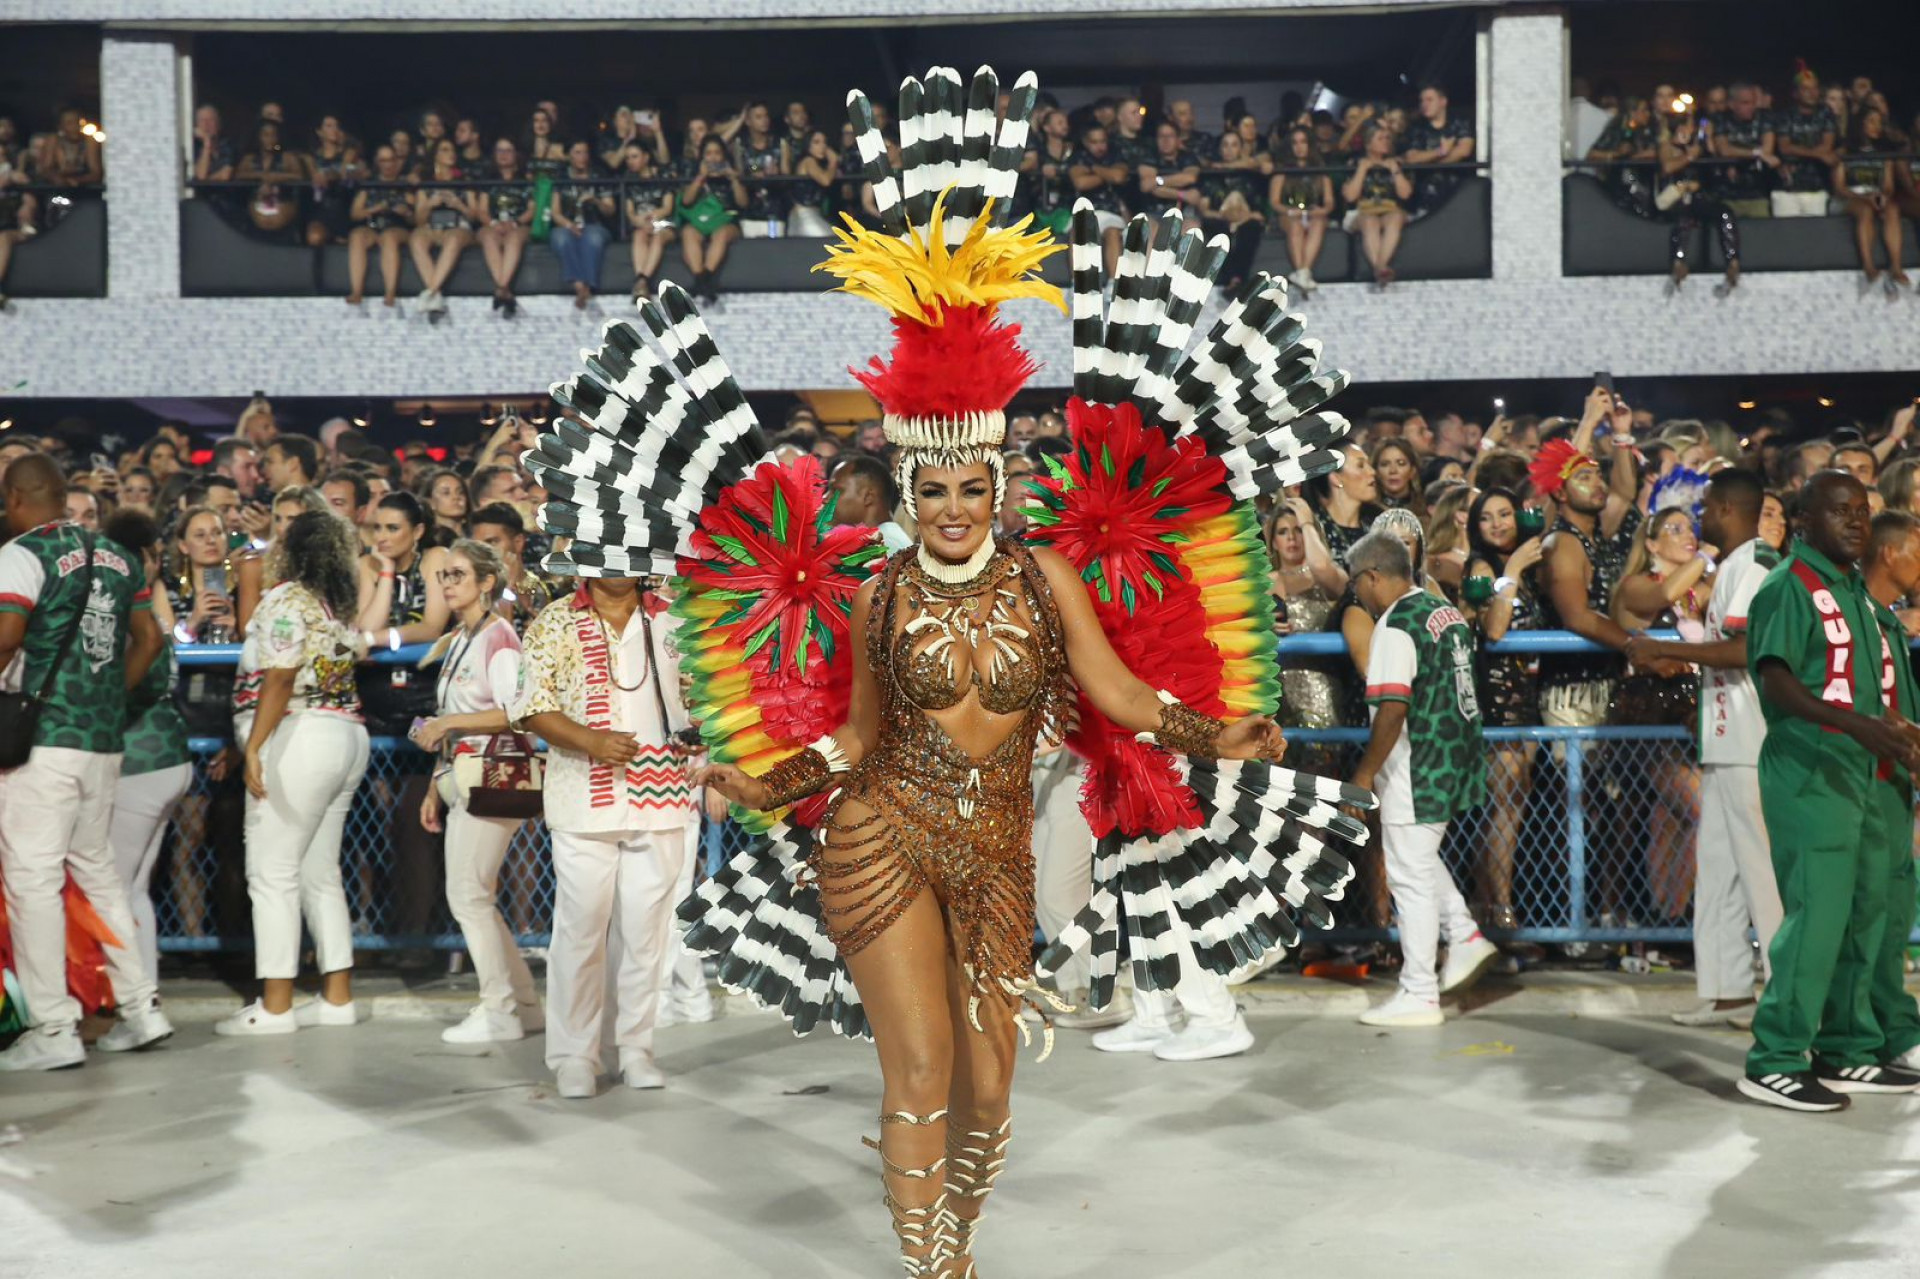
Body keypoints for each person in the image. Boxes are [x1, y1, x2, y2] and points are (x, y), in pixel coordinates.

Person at [1735, 473, 1920, 1112]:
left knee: (1865, 915)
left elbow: (1873, 694)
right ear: (1803, 520)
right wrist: (1858, 725)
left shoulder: (1856, 594)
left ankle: (1846, 1047)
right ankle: (1775, 1059)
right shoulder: (1788, 585)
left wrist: (1898, 732)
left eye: (1863, 512)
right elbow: (1778, 683)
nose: (1855, 522)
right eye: (1839, 511)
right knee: (1815, 919)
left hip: (1863, 773)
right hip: (1810, 770)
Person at [0, 455, 170, 1070]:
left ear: (16, 498)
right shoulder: (119, 557)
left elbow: (6, 636)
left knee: (32, 879)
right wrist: (104, 697)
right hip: (102, 740)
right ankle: (142, 1006)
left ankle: (52, 1028)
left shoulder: (23, 554)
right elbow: (151, 640)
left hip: (40, 743)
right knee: (97, 873)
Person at [514, 574, 695, 1098]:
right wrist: (590, 740)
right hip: (582, 800)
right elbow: (530, 704)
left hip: (661, 796)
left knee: (646, 934)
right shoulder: (555, 619)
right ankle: (575, 1054)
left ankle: (635, 1048)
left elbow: (701, 693)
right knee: (580, 929)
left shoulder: (673, 616)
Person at [1626, 470, 1782, 1028]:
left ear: (1726, 508)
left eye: (1707, 509)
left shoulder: (1758, 564)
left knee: (1761, 877)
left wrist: (1662, 647)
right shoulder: (1735, 565)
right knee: (1717, 873)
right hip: (1725, 739)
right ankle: (1728, 993)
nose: (1701, 519)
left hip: (1752, 740)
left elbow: (1746, 648)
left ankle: (1785, 999)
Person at [216, 511, 371, 1036]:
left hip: (303, 734)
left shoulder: (286, 599)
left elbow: (280, 675)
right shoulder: (337, 606)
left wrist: (254, 746)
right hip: (347, 732)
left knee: (272, 873)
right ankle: (336, 997)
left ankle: (276, 1006)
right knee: (318, 873)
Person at [1346, 531, 1495, 1027]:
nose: (1357, 596)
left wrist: (1365, 772)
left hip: (1418, 763)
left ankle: (1420, 991)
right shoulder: (1443, 610)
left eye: (1357, 584)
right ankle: (1466, 936)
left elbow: (1393, 706)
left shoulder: (1395, 625)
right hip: (1454, 756)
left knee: (1408, 876)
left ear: (1372, 576)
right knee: (1419, 858)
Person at [415, 539, 544, 1044]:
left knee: (468, 897)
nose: (448, 583)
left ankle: (500, 1009)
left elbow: (518, 712)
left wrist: (449, 721)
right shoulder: (461, 638)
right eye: (444, 575)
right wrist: (432, 787)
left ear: (486, 583)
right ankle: (524, 1006)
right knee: (475, 898)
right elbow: (454, 725)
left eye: (459, 575)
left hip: (492, 778)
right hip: (462, 778)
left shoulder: (499, 636)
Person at [103, 509, 194, 1000]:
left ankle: (131, 1005)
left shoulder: (125, 613)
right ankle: (145, 996)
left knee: (112, 889)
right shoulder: (151, 612)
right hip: (168, 756)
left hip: (139, 760)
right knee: (132, 888)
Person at [1608, 505, 1711, 926]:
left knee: (1670, 820)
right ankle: (1676, 918)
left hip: (1689, 716)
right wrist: (1709, 553)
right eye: (1675, 529)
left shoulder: (1701, 590)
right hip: (1647, 719)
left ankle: (1666, 917)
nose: (1689, 536)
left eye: (1692, 528)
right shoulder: (1633, 586)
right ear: (1651, 543)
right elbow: (1663, 595)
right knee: (1702, 810)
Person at [1461, 488, 1545, 946]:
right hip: (1497, 700)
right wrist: (1510, 573)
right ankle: (1502, 911)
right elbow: (1494, 628)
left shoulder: (1534, 563)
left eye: (1505, 514)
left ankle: (1482, 905)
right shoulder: (1483, 567)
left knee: (1510, 808)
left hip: (1527, 696)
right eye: (1487, 517)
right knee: (1506, 810)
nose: (1497, 524)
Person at [1857, 511, 1920, 1077]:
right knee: (1875, 913)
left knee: (1896, 910)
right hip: (1868, 782)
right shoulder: (1858, 615)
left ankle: (1892, 1028)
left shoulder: (1889, 620)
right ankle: (1879, 1033)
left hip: (1895, 782)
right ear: (1889, 554)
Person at [1834, 108, 1909, 291]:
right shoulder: (1845, 151)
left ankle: (1896, 266)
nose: (1877, 126)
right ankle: (1868, 266)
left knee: (1892, 209)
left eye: (1879, 122)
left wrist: (1883, 196)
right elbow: (1839, 187)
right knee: (1865, 210)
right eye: (1871, 121)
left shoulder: (1885, 152)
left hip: (1876, 196)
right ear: (1860, 124)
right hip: (1850, 198)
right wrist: (1864, 197)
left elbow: (1889, 185)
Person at [410, 138, 479, 319]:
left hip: (458, 226)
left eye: (452, 150)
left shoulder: (465, 180)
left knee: (453, 239)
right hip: (432, 225)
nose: (451, 154)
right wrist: (430, 204)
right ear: (436, 155)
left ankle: (430, 291)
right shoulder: (426, 182)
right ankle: (436, 294)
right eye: (445, 150)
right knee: (416, 238)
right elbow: (418, 219)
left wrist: (458, 204)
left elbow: (474, 216)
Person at [1342, 123, 1413, 287]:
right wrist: (1361, 170)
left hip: (1390, 209)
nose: (1385, 142)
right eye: (1380, 139)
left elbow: (1405, 194)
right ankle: (1381, 267)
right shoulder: (1355, 162)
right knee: (1370, 221)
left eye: (1388, 138)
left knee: (1395, 217)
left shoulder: (1397, 163)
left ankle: (1379, 268)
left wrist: (1395, 170)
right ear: (1368, 144)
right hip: (1362, 210)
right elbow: (1350, 197)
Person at [679, 135, 746, 303]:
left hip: (726, 222)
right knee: (688, 232)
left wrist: (734, 179)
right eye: (708, 153)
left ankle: (703, 279)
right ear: (702, 156)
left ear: (724, 155)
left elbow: (743, 203)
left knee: (721, 234)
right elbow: (686, 201)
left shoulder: (732, 175)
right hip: (701, 223)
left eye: (717, 153)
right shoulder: (695, 174)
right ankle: (702, 279)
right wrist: (701, 177)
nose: (713, 157)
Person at [1269, 125, 1335, 295]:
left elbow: (1329, 203)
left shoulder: (1321, 171)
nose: (1299, 147)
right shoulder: (1282, 171)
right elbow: (1275, 202)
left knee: (1319, 223)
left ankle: (1303, 272)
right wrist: (1290, 211)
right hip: (1289, 214)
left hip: (1312, 213)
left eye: (1303, 142)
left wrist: (1319, 211)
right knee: (1295, 225)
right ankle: (1301, 270)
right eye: (1295, 143)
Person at [345, 145, 414, 309]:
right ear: (377, 163)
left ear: (396, 162)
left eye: (391, 159)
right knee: (356, 236)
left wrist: (406, 212)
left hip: (398, 227)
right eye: (383, 160)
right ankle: (356, 291)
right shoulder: (369, 185)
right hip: (373, 225)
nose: (388, 164)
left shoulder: (405, 184)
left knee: (388, 238)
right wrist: (374, 209)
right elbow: (355, 213)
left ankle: (390, 291)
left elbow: (416, 218)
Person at [551, 140, 616, 310]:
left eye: (585, 152)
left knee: (592, 238)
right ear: (569, 155)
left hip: (595, 225)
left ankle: (588, 284)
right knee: (562, 238)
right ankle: (580, 286)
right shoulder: (561, 177)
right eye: (577, 152)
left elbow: (610, 210)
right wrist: (569, 225)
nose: (582, 157)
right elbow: (555, 212)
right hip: (566, 225)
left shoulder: (598, 176)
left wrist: (596, 201)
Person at [477, 138, 534, 319]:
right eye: (499, 151)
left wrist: (515, 223)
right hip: (493, 225)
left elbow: (532, 209)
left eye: (508, 150)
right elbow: (482, 210)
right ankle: (504, 289)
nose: (503, 155)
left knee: (514, 238)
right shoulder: (489, 180)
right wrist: (494, 224)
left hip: (519, 224)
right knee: (488, 236)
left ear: (516, 154)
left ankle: (501, 288)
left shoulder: (526, 179)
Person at [620, 143, 676, 298]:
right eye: (627, 158)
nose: (630, 161)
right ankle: (641, 281)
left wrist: (653, 216)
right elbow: (630, 212)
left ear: (646, 157)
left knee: (658, 236)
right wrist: (639, 220)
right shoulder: (628, 181)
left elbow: (667, 208)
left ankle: (642, 281)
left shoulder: (662, 177)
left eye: (634, 156)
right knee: (639, 235)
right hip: (642, 224)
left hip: (664, 223)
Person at [830, 454, 911, 551]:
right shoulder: (878, 540)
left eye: (836, 491)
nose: (825, 498)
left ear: (868, 497)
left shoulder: (885, 545)